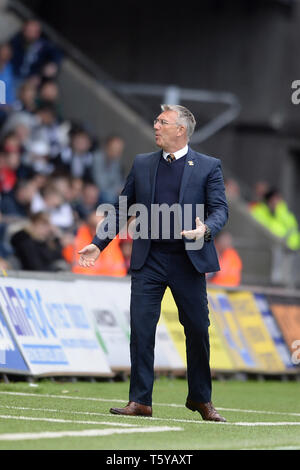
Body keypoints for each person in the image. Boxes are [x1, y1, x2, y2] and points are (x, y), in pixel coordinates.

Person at [78, 104, 228, 422]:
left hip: (188, 261)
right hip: (150, 259)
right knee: (142, 330)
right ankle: (140, 400)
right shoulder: (143, 163)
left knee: (198, 329)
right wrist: (98, 243)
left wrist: (207, 228)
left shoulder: (208, 166)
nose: (156, 126)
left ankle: (201, 398)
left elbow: (220, 209)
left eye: (162, 122)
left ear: (181, 130)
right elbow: (120, 208)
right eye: (156, 121)